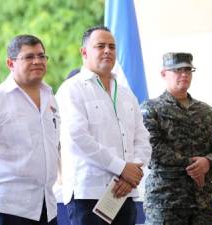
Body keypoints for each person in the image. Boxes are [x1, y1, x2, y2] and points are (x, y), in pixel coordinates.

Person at [55, 25, 151, 225]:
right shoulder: (71, 89)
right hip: (88, 193)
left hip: (124, 191)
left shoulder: (126, 93)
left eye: (112, 47)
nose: (108, 51)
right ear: (84, 52)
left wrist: (131, 174)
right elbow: (78, 138)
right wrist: (122, 168)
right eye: (100, 46)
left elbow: (142, 138)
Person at [0, 34, 60, 225]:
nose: (37, 61)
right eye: (29, 57)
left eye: (41, 56)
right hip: (6, 206)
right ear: (10, 63)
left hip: (46, 205)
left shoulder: (51, 98)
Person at [141, 52, 212, 225]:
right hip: (165, 201)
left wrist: (208, 162)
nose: (184, 74)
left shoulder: (207, 111)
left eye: (188, 70)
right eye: (178, 70)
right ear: (163, 74)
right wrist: (192, 164)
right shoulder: (150, 108)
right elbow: (152, 147)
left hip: (202, 202)